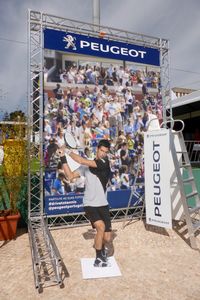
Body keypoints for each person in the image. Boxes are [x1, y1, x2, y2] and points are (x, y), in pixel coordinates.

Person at [58, 139, 113, 267]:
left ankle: (100, 247)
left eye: (106, 152)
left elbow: (81, 160)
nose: (104, 153)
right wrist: (62, 158)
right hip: (89, 204)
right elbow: (70, 176)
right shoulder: (85, 167)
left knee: (107, 238)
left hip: (103, 204)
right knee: (100, 227)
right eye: (102, 150)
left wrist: (66, 150)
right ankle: (98, 258)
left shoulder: (105, 163)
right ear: (97, 149)